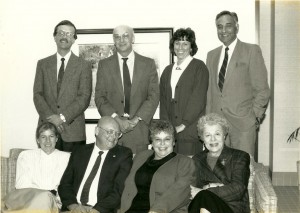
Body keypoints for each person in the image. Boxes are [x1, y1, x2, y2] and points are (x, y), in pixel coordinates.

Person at [205, 11, 270, 157]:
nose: (223, 30)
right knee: (219, 170)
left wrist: (255, 117)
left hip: (243, 125)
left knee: (243, 170)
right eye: (219, 27)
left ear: (237, 27)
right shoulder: (211, 55)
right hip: (217, 126)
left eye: (228, 26)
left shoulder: (251, 51)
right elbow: (210, 92)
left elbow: (263, 90)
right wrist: (208, 122)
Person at [95, 25, 159, 154]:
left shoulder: (148, 64)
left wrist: (135, 120)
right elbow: (99, 97)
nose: (121, 40)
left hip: (139, 131)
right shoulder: (104, 65)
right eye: (117, 37)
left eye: (125, 35)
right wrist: (117, 120)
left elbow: (153, 96)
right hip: (111, 133)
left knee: (137, 172)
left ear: (133, 38)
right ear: (114, 40)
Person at [33, 20, 92, 152]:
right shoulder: (42, 64)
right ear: (55, 37)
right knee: (46, 171)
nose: (64, 36)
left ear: (73, 39)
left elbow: (84, 97)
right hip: (46, 131)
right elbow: (38, 94)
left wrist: (61, 118)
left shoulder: (84, 65)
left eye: (69, 34)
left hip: (73, 133)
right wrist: (51, 120)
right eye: (61, 33)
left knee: (73, 172)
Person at [58, 116, 133, 213]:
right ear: (97, 131)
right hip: (74, 208)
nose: (114, 137)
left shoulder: (123, 155)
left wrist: (96, 210)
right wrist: (74, 206)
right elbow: (65, 184)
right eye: (110, 131)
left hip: (101, 209)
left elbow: (118, 191)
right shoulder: (80, 151)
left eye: (117, 134)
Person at [120, 120, 195, 213]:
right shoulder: (141, 156)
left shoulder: (184, 162)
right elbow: (127, 186)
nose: (162, 143)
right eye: (157, 139)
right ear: (152, 142)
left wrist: (157, 210)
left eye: (167, 139)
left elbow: (180, 191)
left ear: (174, 142)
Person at [160, 28, 209, 155]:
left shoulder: (199, 67)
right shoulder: (167, 70)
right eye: (177, 43)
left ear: (191, 47)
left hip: (190, 132)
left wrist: (183, 125)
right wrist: (166, 128)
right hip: (170, 134)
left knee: (188, 170)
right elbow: (163, 101)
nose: (180, 47)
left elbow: (198, 100)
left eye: (185, 43)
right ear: (173, 46)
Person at [189, 113, 250, 213]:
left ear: (224, 135)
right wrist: (220, 186)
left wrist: (206, 189)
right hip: (201, 205)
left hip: (232, 208)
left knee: (204, 196)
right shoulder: (197, 159)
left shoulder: (239, 156)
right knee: (203, 199)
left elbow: (238, 189)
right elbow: (190, 188)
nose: (213, 139)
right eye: (208, 135)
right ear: (202, 138)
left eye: (217, 134)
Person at [3, 122, 70, 213]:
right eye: (43, 137)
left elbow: (66, 186)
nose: (47, 141)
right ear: (38, 140)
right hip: (26, 198)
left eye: (51, 136)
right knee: (44, 199)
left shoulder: (66, 158)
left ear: (57, 139)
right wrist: (47, 194)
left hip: (53, 202)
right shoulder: (26, 156)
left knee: (46, 200)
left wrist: (51, 197)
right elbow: (22, 184)